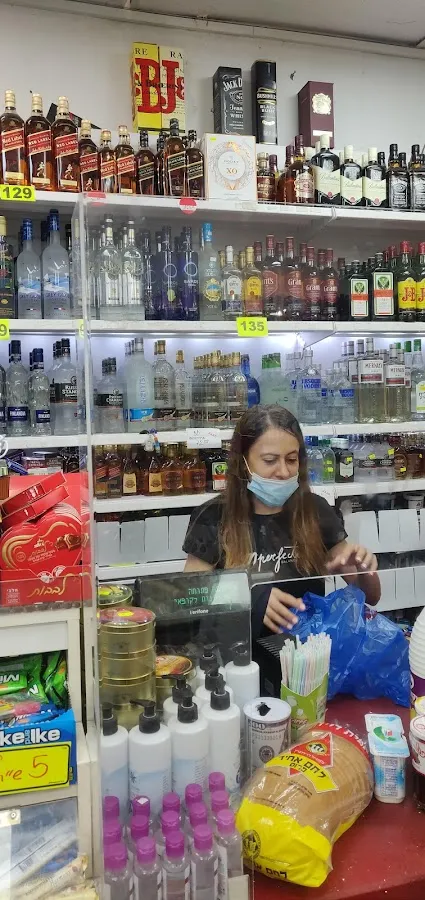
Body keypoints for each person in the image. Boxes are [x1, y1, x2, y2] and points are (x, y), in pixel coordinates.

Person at [183, 405, 380, 638]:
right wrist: (250, 598)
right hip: (237, 652)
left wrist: (364, 570)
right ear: (243, 463)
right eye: (270, 460)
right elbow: (190, 599)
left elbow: (371, 597)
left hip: (304, 653)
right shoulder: (213, 517)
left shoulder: (315, 510)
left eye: (291, 460)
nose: (284, 472)